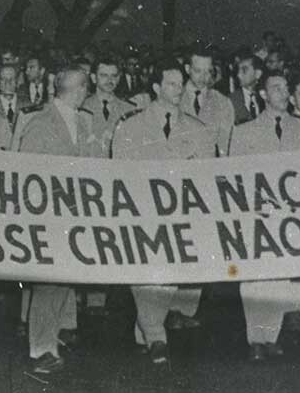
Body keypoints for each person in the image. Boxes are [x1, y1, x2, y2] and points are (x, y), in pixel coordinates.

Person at [111, 59, 212, 364]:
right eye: (171, 84)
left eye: (181, 84)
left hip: (181, 215)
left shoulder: (198, 129)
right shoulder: (130, 126)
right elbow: (119, 175)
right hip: (143, 215)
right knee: (145, 276)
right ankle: (156, 337)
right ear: (155, 88)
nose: (178, 89)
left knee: (167, 277)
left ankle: (146, 330)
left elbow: (206, 176)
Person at [229, 71, 300, 361]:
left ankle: (271, 336)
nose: (283, 93)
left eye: (286, 88)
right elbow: (235, 176)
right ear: (263, 95)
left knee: (282, 276)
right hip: (260, 214)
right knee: (257, 278)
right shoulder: (244, 131)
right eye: (276, 88)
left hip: (293, 214)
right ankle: (257, 339)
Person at [19, 68, 96, 374]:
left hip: (76, 212)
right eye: (84, 88)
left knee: (63, 280)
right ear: (78, 90)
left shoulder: (84, 120)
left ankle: (51, 337)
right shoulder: (39, 122)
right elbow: (27, 173)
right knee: (49, 283)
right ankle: (40, 349)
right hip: (49, 215)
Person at [82, 55, 145, 157]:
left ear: (119, 78)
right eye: (104, 75)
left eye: (114, 76)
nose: (110, 80)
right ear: (94, 78)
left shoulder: (129, 110)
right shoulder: (82, 107)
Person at [180, 46, 234, 157]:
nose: (203, 77)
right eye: (198, 71)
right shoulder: (173, 98)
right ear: (187, 69)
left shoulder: (223, 102)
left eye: (208, 71)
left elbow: (225, 146)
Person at [229, 51, 265, 125]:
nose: (238, 74)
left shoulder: (266, 99)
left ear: (257, 74)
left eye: (244, 70)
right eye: (238, 70)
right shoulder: (230, 101)